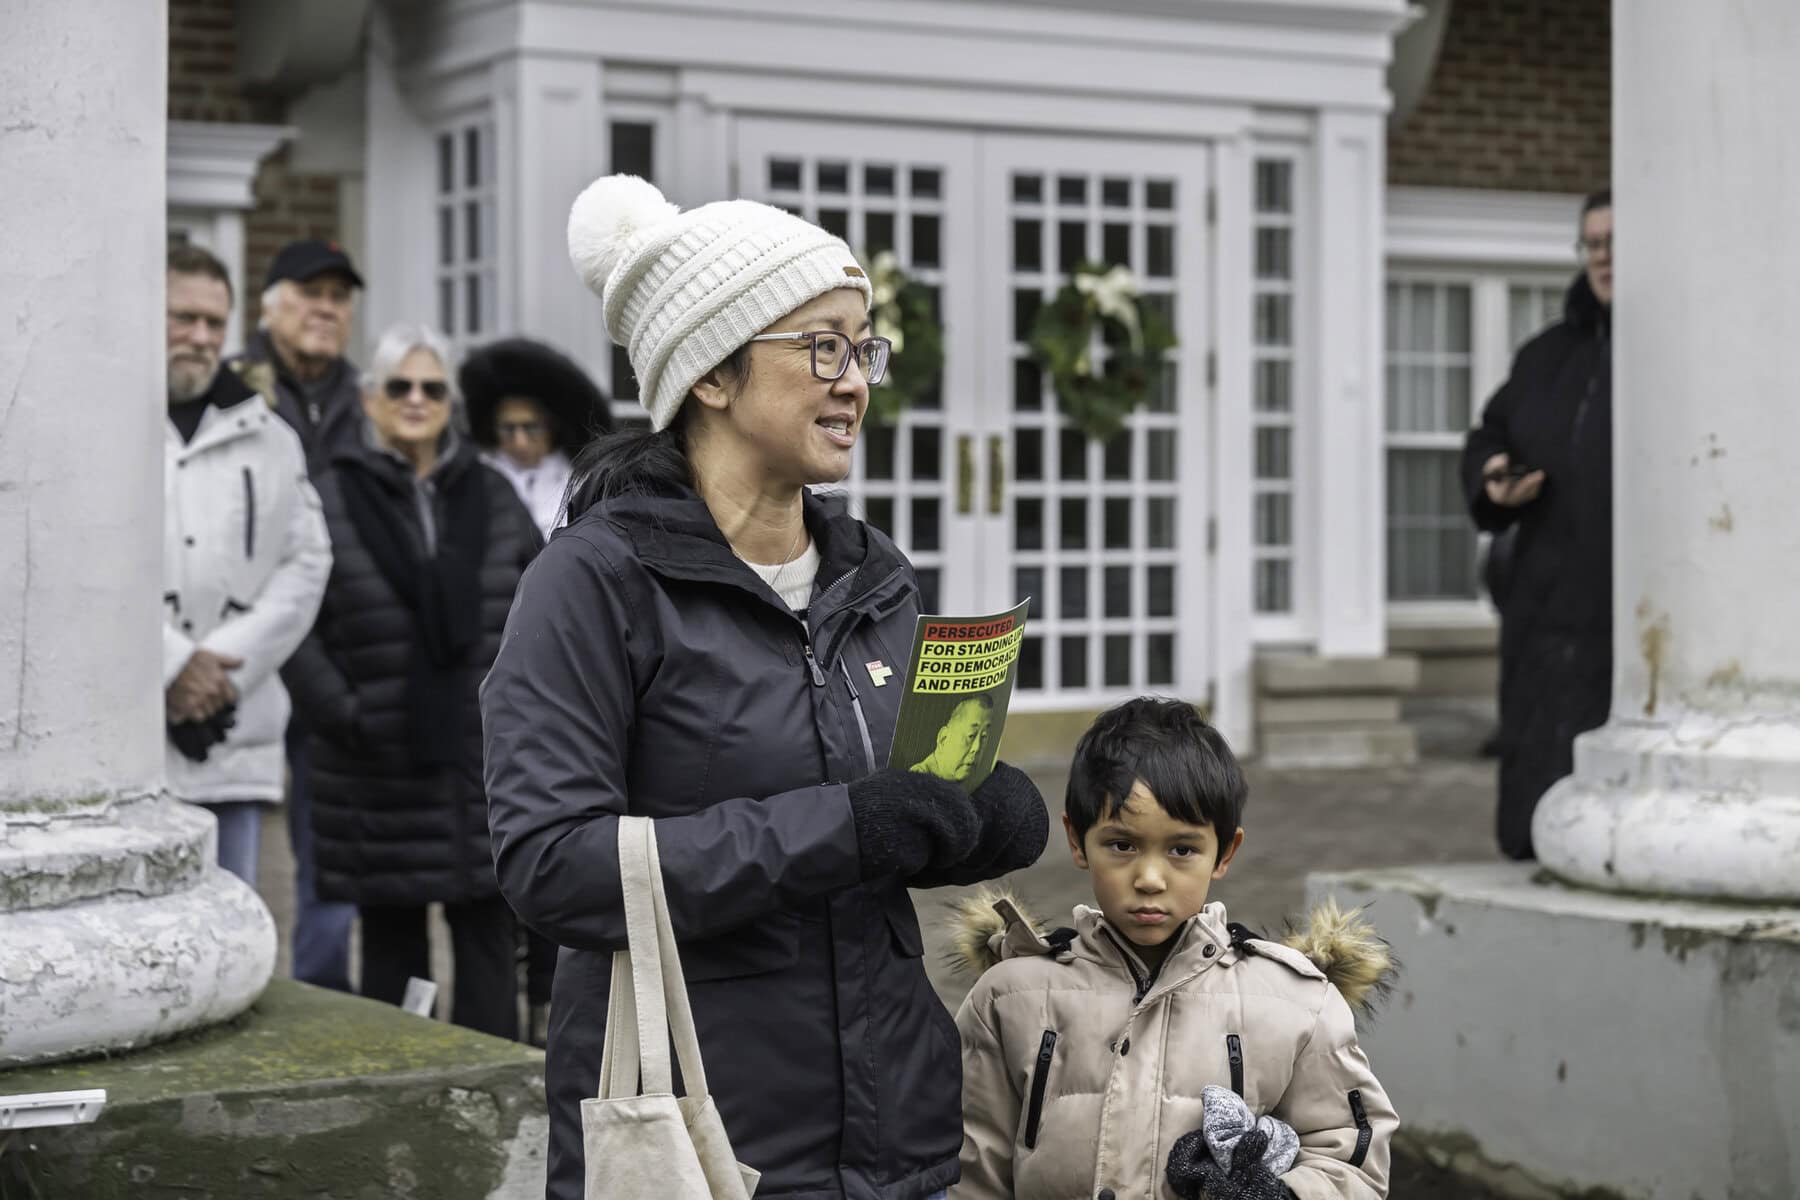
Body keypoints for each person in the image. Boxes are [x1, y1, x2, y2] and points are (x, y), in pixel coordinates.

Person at [480, 174, 1050, 1200]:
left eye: (864, 349)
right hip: (702, 1141)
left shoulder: (873, 573)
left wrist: (969, 812)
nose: (855, 382)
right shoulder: (593, 584)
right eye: (823, 347)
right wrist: (845, 829)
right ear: (710, 373)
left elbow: (883, 798)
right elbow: (550, 864)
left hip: (899, 1141)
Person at [951, 697, 1398, 1200]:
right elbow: (967, 1172)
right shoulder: (1010, 997)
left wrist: (1280, 1195)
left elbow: (1352, 1161)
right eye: (1122, 845)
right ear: (1077, 841)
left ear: (1225, 852)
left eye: (1182, 850)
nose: (1149, 878)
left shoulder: (1298, 1003)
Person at [281, 323, 541, 1037]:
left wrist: (520, 714)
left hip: (481, 761)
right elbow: (291, 620)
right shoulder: (326, 496)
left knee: (487, 936)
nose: (416, 399)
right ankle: (405, 1085)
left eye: (432, 387)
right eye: (399, 386)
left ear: (450, 403)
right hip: (375, 765)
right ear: (370, 399)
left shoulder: (492, 493)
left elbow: (543, 603)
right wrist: (345, 711)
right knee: (393, 948)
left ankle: (489, 1085)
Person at [162, 244, 331, 885]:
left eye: (214, 322)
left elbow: (306, 561)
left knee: (233, 923)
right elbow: (79, 572)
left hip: (234, 731)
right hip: (127, 740)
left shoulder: (271, 438)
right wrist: (171, 664)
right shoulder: (99, 432)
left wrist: (220, 669)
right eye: (183, 318)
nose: (201, 337)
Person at [1460, 189, 1614, 861]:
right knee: (1531, 806)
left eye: (1616, 242)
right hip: (1543, 611)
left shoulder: (1680, 355)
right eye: (1592, 244)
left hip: (1626, 620)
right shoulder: (1546, 355)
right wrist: (1494, 473)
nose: (1603, 257)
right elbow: (1490, 432)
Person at [234, 236, 367, 989]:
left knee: (329, 858)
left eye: (338, 297)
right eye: (310, 293)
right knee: (229, 847)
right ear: (270, 305)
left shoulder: (368, 401)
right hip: (243, 648)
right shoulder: (231, 389)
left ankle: (323, 1004)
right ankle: (231, 986)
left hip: (336, 660)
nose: (326, 308)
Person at [460, 337, 612, 538]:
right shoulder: (475, 479)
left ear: (552, 426)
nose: (520, 442)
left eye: (531, 428)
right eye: (508, 429)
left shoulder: (583, 484)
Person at [911, 693, 996, 784]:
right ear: (943, 739)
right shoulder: (917, 780)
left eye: (984, 737)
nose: (977, 748)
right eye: (971, 736)